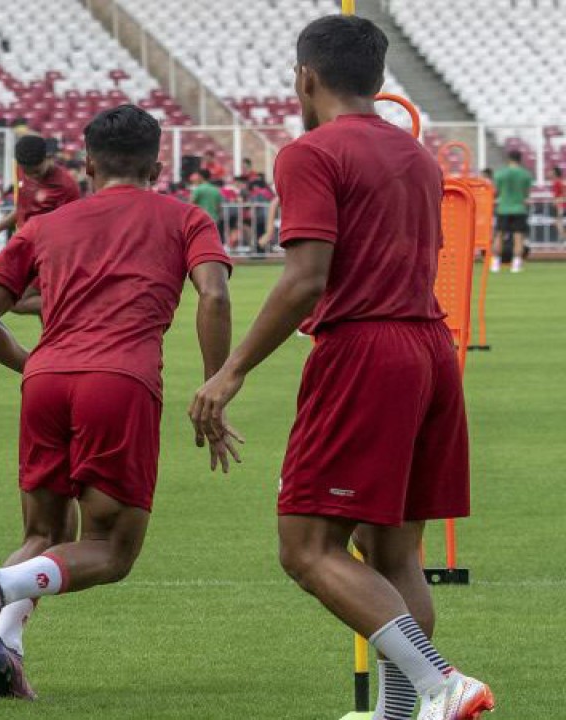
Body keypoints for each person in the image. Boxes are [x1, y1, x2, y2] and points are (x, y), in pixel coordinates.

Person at [189, 17, 494, 720]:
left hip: (365, 352)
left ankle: (442, 684)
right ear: (380, 81)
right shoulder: (417, 156)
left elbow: (306, 278)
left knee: (306, 546)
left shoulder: (309, 154)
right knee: (393, 550)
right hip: (429, 349)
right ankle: (397, 712)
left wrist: (229, 371)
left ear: (305, 77)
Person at [0, 104, 235, 700]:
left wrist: (36, 365)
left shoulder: (44, 225)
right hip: (121, 381)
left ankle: (7, 650)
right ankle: (0, 584)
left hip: (48, 380)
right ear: (157, 166)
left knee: (43, 532)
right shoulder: (185, 218)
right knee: (110, 549)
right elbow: (214, 295)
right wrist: (217, 382)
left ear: (85, 162)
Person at [0, 135, 81, 314]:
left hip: (50, 254)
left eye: (37, 172)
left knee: (18, 302)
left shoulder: (66, 186)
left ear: (48, 157)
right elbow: (23, 208)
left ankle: (77, 304)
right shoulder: (23, 169)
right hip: (26, 249)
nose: (32, 176)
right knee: (41, 312)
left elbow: (74, 228)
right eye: (27, 171)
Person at [492, 149, 534, 273]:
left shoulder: (500, 174)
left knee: (498, 235)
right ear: (520, 159)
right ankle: (516, 265)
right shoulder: (526, 174)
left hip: (503, 208)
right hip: (519, 209)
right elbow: (526, 194)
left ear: (509, 158)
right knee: (518, 237)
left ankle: (495, 264)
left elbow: (496, 192)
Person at [189, 172, 224, 244]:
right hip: (214, 218)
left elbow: (190, 204)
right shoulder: (215, 190)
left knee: (201, 241)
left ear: (201, 177)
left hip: (200, 219)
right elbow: (219, 206)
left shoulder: (198, 189)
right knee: (213, 241)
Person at [550, 166, 564, 240]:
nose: (550, 172)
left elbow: (562, 194)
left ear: (555, 172)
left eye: (552, 171)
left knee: (558, 222)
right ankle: (563, 237)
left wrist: (558, 201)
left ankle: (564, 238)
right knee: (557, 222)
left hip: (560, 205)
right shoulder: (557, 182)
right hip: (558, 204)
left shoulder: (558, 182)